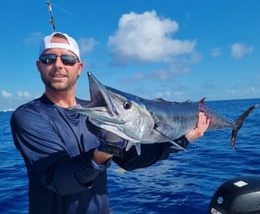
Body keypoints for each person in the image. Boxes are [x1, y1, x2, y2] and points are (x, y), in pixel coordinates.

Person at [10, 32, 210, 214]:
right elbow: (59, 180)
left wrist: (186, 138)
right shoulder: (29, 117)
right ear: (39, 66)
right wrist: (108, 147)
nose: (58, 65)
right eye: (49, 59)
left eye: (68, 59)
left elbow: (130, 160)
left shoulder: (97, 113)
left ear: (79, 68)